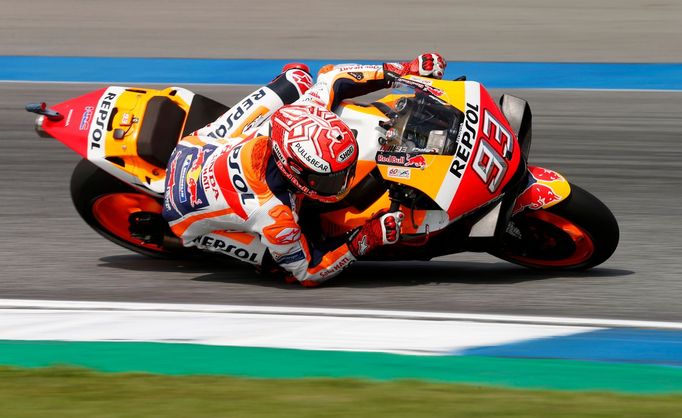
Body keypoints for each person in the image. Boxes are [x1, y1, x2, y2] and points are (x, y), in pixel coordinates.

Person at [131, 53, 447, 287]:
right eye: (329, 179)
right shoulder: (275, 215)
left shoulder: (304, 112)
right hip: (184, 210)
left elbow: (333, 77)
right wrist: (366, 238)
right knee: (279, 262)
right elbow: (309, 273)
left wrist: (404, 71)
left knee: (298, 77)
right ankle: (219, 244)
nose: (342, 182)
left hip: (201, 145)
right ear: (294, 171)